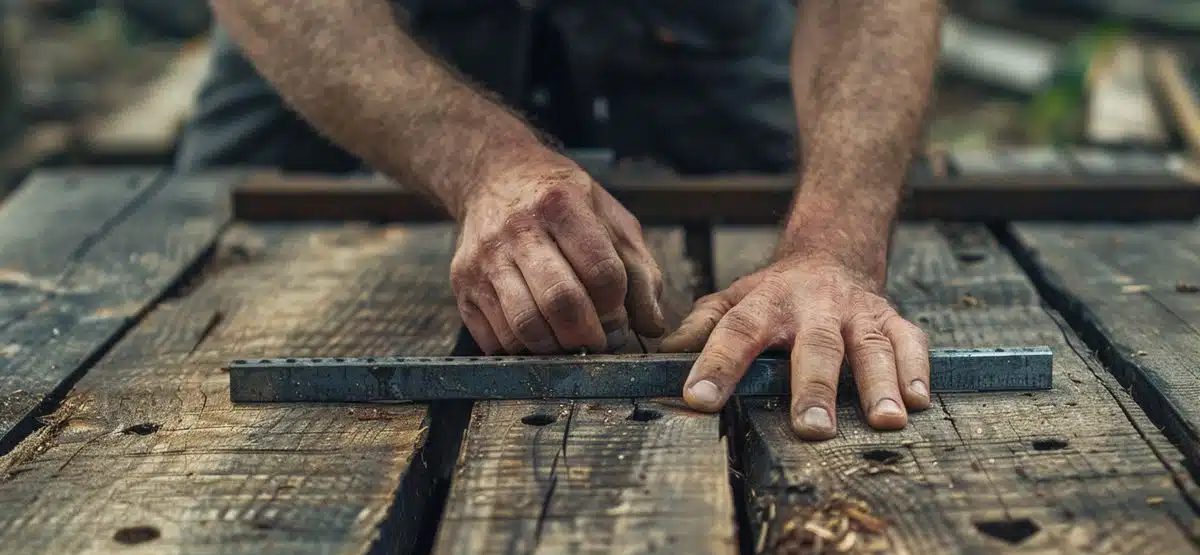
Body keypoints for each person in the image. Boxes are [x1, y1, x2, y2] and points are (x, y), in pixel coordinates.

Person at [177, 0, 942, 441]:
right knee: (188, 268)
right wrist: (480, 161)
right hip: (363, 26)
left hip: (692, 29)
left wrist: (833, 248)